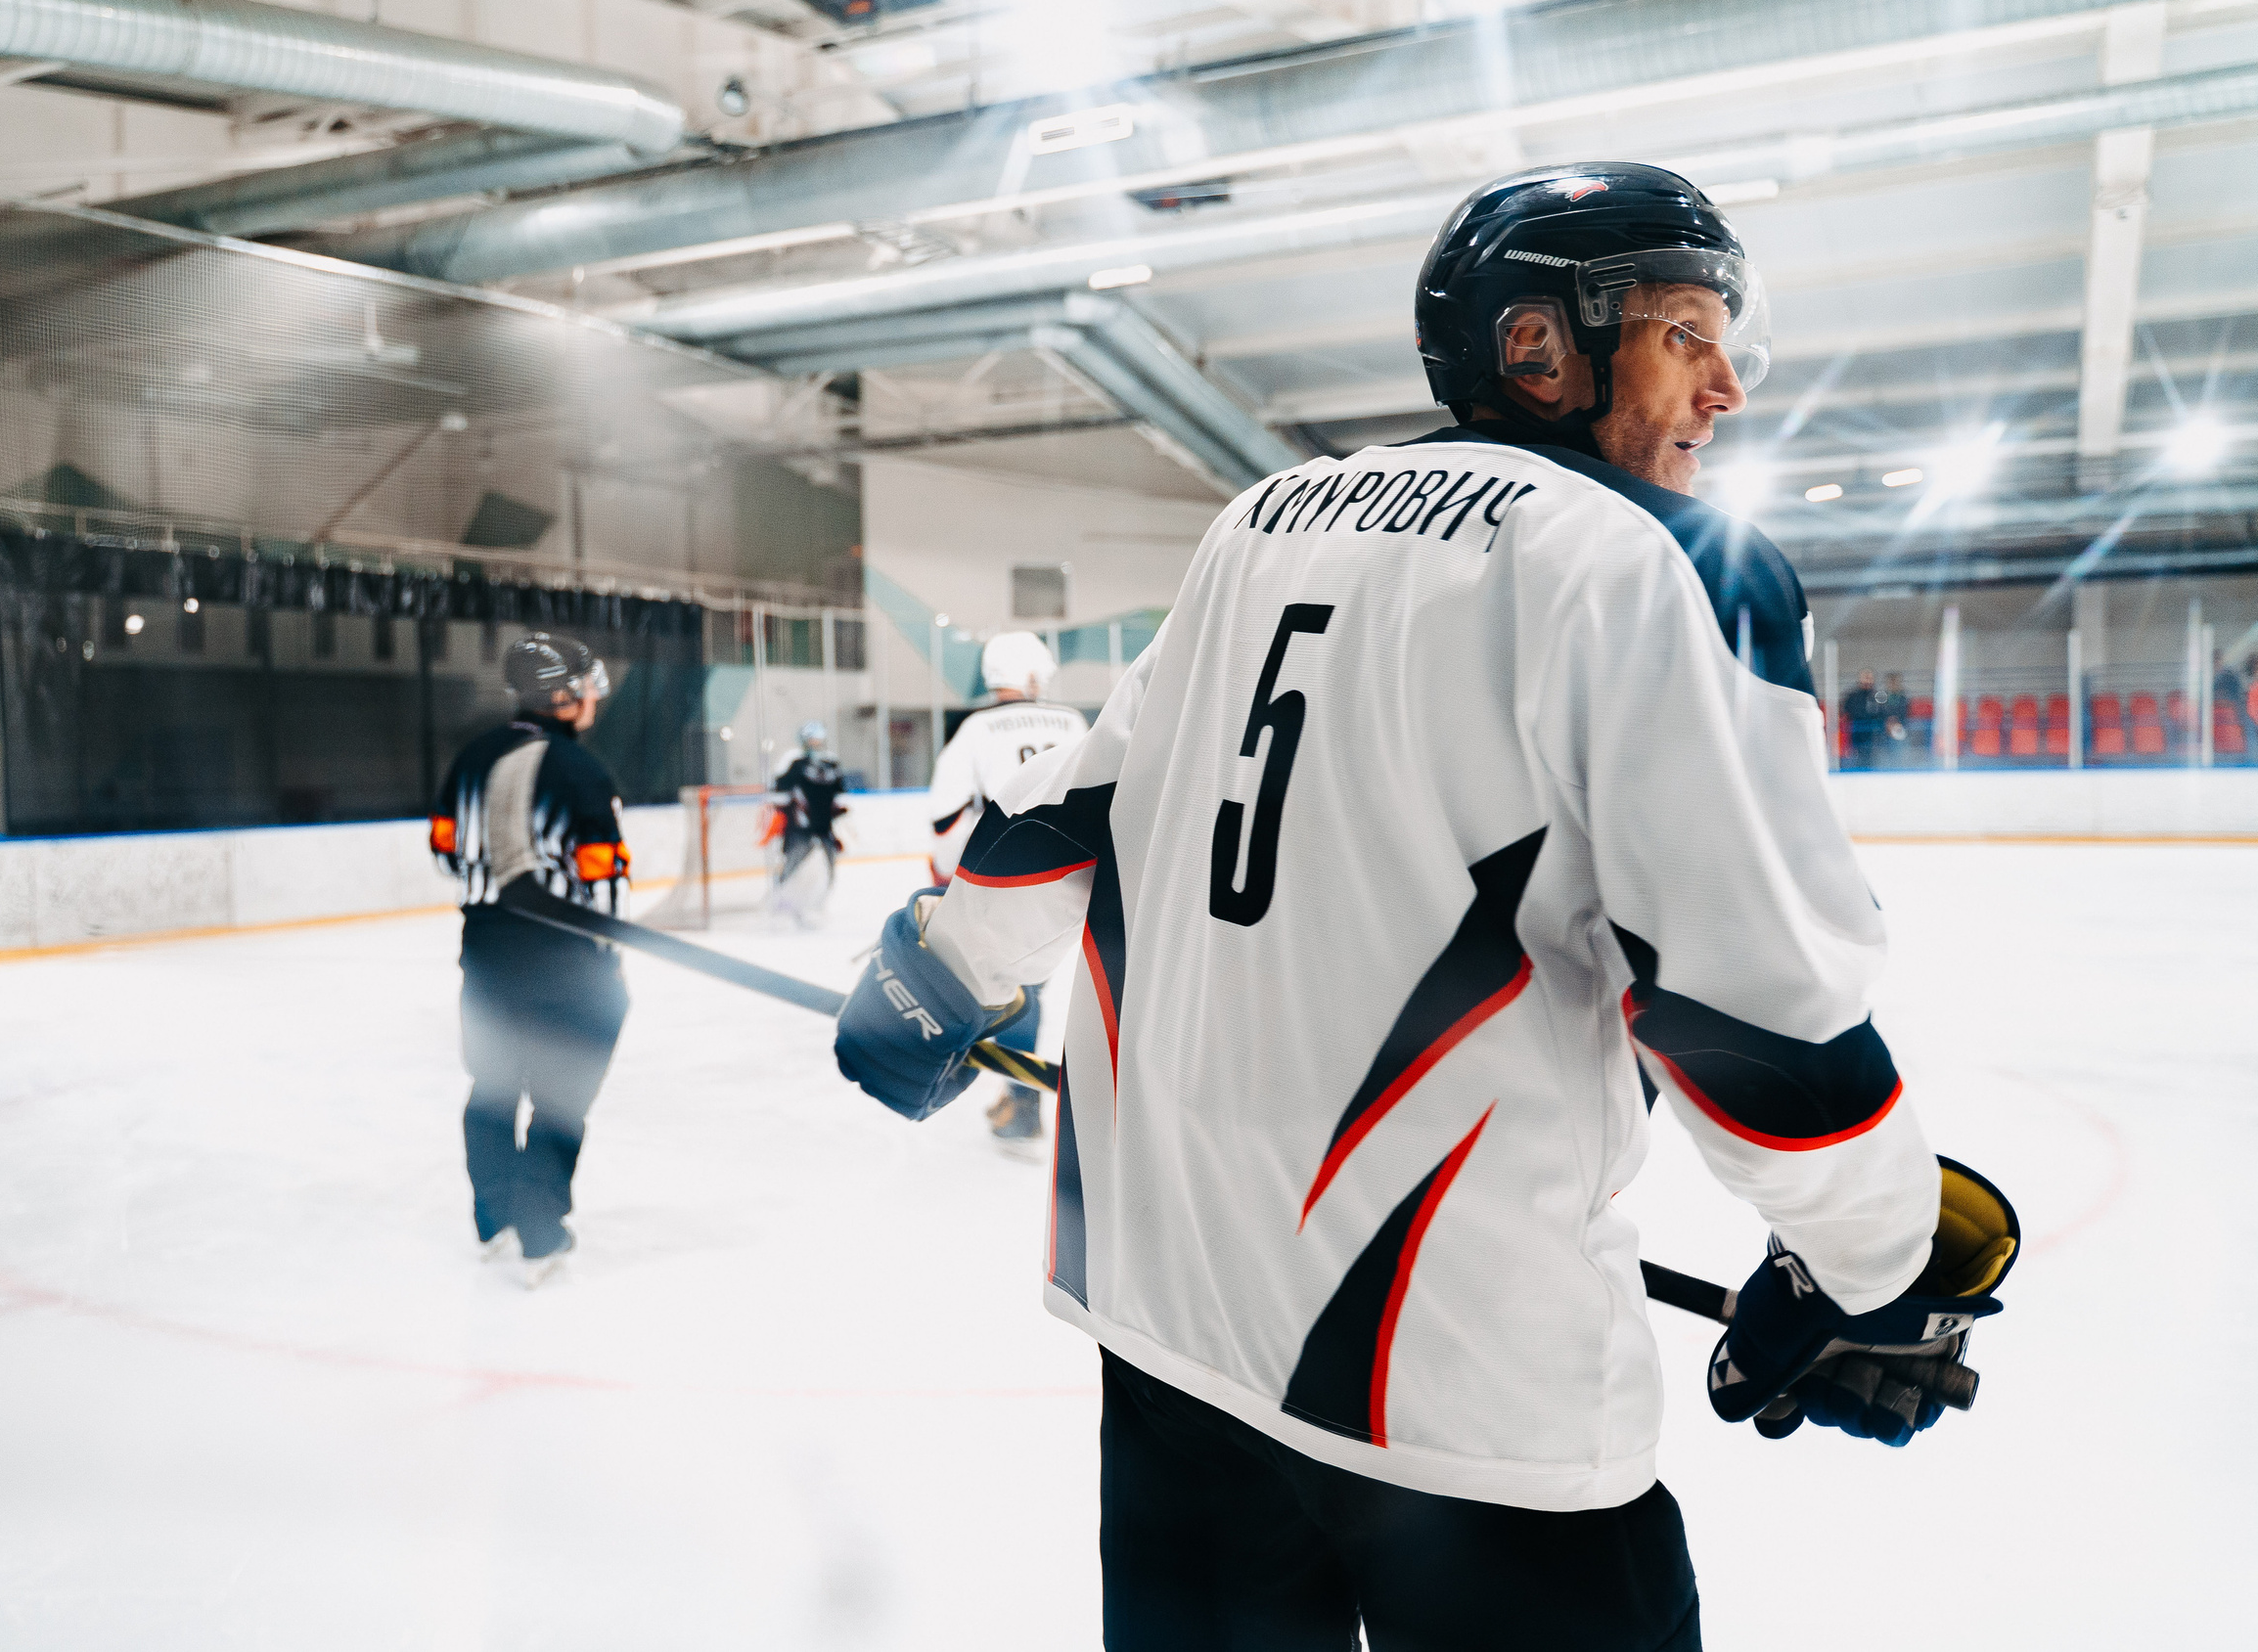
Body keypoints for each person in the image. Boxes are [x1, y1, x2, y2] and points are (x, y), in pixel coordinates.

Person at [833, 163, 2016, 1650]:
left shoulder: (1256, 517)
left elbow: (1074, 805)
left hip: (1168, 1345)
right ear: (1539, 348)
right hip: (1468, 1407)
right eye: (1683, 335)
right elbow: (1754, 1013)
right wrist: (1876, 1272)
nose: (1724, 387)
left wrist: (942, 971)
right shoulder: (1653, 562)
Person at [429, 632, 633, 1286]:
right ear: (565, 695)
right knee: (562, 1092)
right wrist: (608, 959)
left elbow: (443, 854)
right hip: (565, 963)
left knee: (491, 1084)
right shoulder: (580, 771)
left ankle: (494, 1217)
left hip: (484, 954)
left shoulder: (470, 758)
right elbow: (603, 884)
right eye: (586, 684)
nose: (594, 695)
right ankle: (540, 1227)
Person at [925, 630, 1088, 1152]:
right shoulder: (1072, 720)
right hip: (1081, 868)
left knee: (1020, 985)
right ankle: (1038, 1099)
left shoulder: (976, 728)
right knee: (1058, 988)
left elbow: (944, 816)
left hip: (1012, 870)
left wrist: (948, 876)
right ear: (1034, 675)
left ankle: (1023, 1106)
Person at [767, 720, 846, 923]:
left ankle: (817, 906)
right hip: (800, 830)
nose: (816, 742)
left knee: (828, 871)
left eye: (818, 738)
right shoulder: (796, 764)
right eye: (812, 738)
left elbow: (839, 795)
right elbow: (779, 790)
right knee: (792, 868)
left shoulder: (831, 765)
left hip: (824, 829)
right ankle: (781, 905)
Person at [1839, 667, 1879, 766]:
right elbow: (1845, 711)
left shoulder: (1877, 696)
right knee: (1856, 758)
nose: (1867, 680)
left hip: (1872, 734)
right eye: (1865, 677)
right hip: (1855, 733)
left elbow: (1882, 713)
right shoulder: (1852, 696)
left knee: (1870, 758)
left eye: (1869, 678)